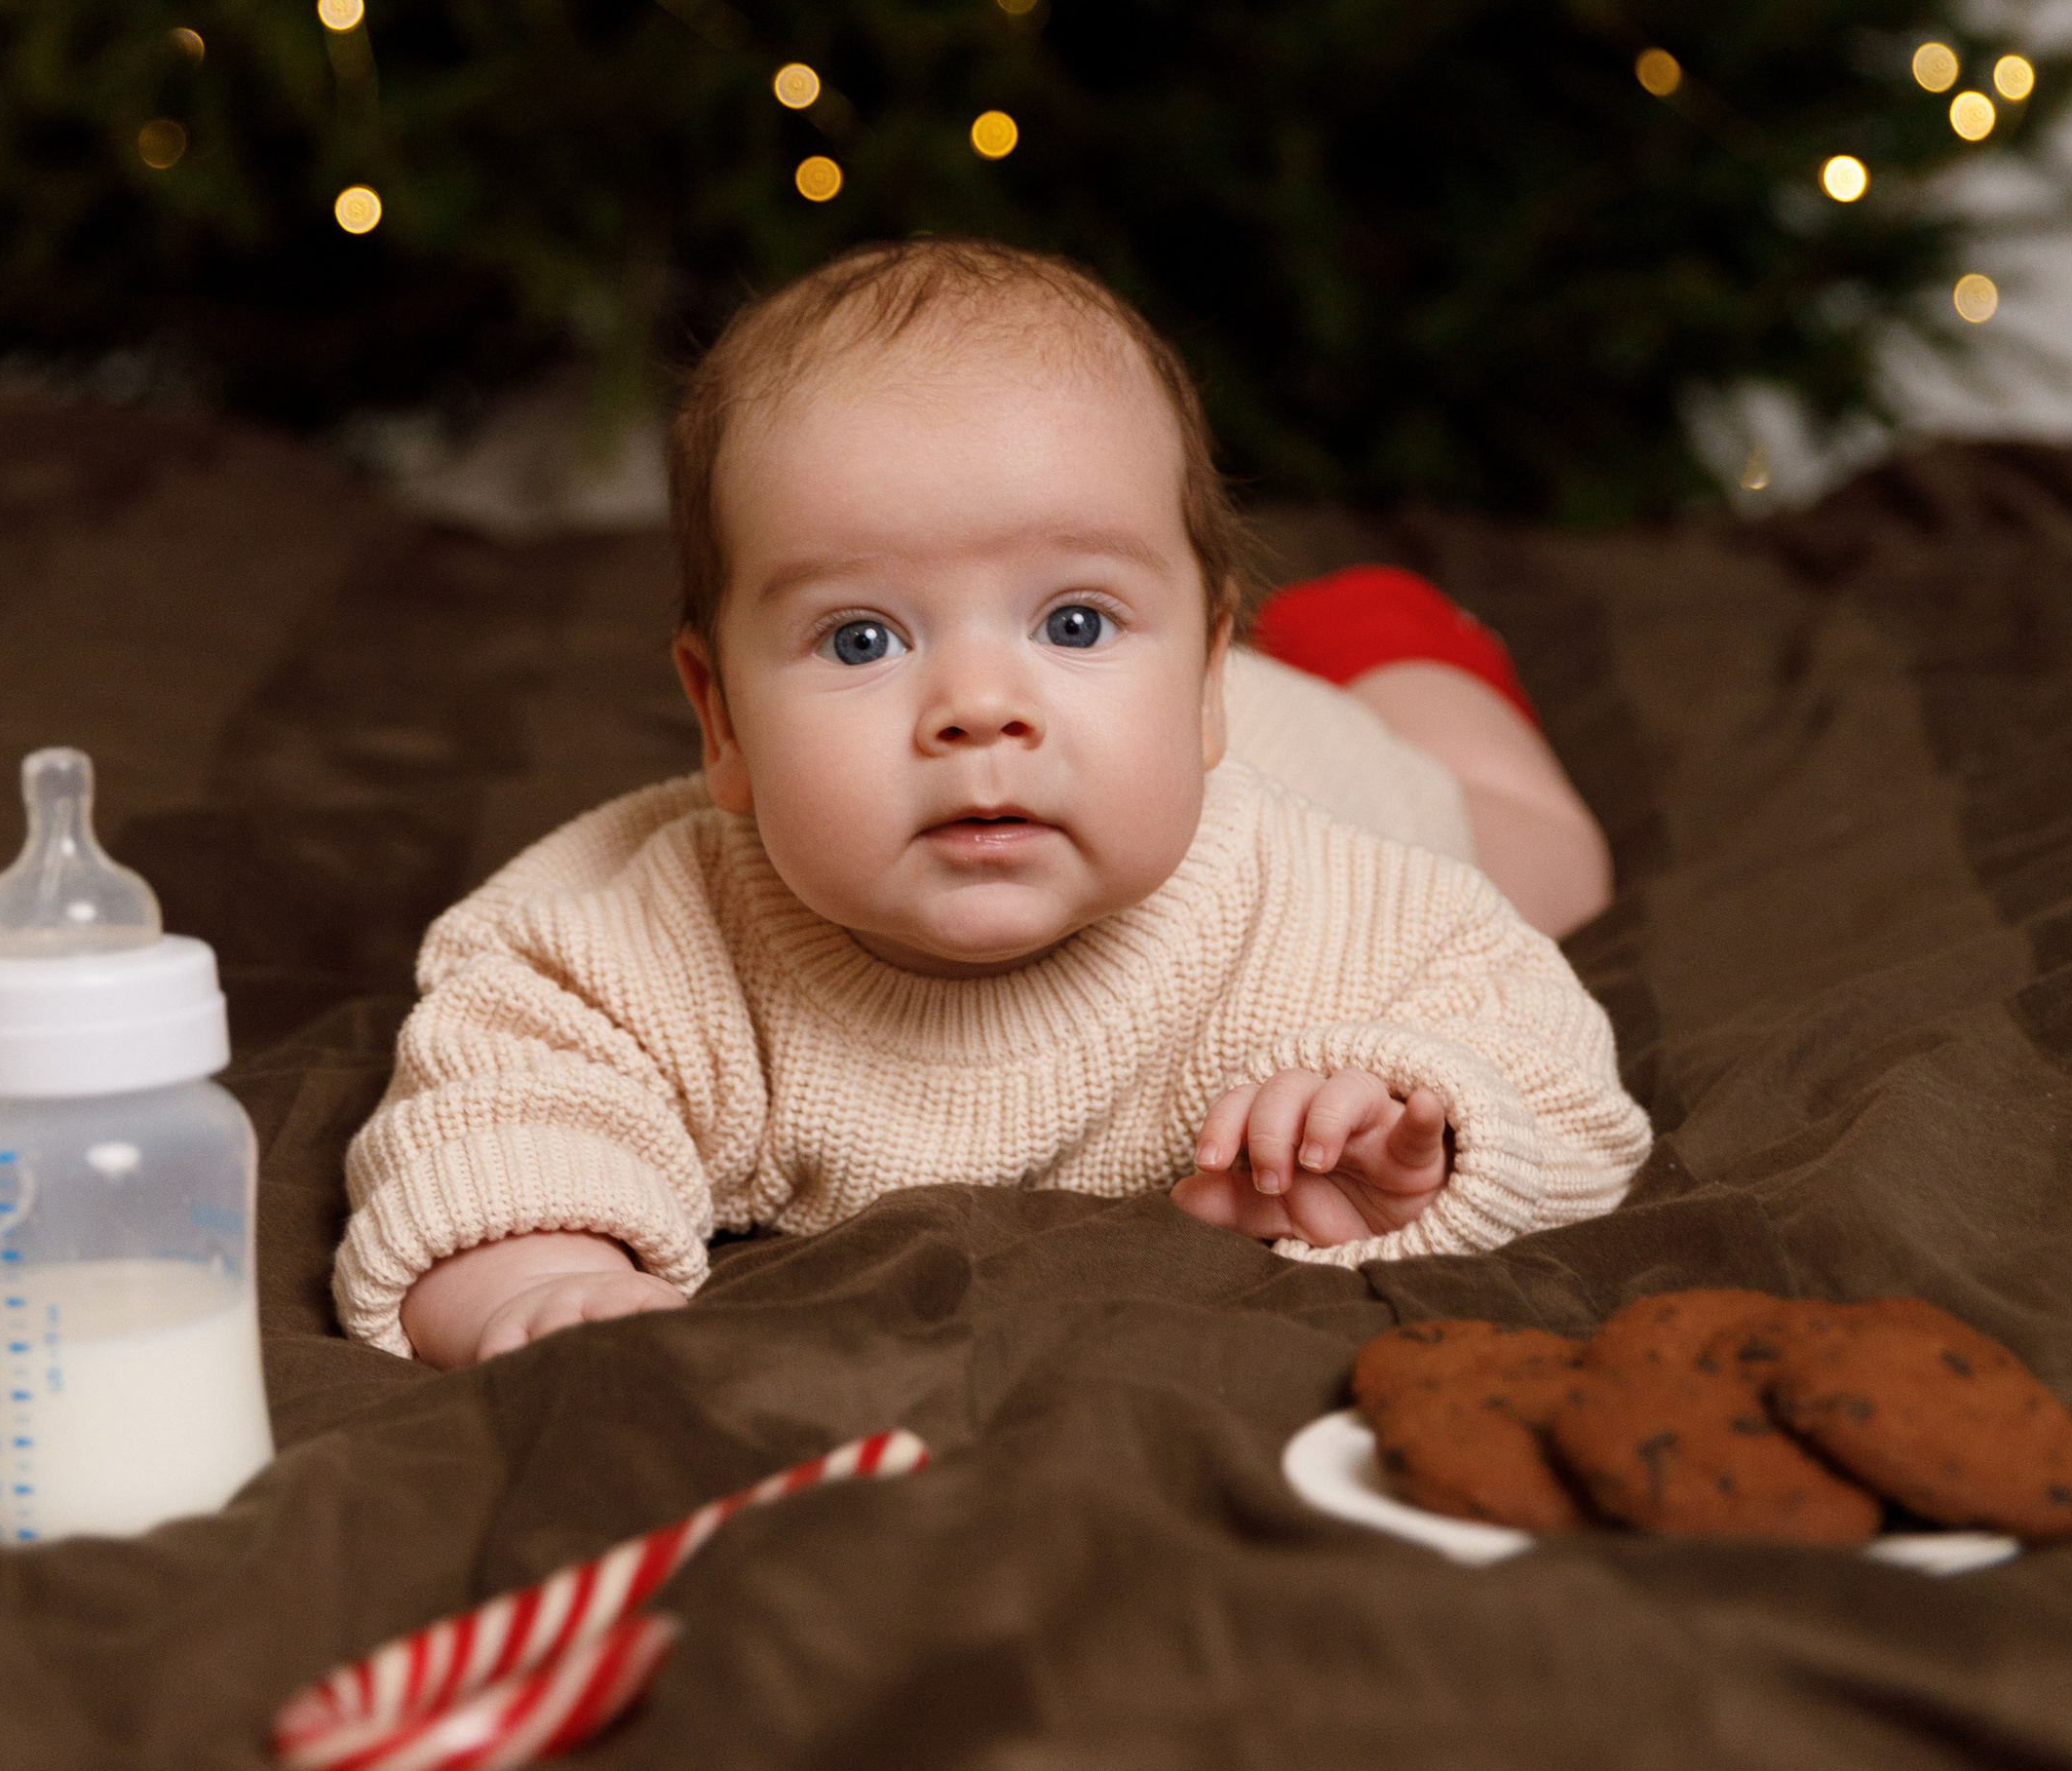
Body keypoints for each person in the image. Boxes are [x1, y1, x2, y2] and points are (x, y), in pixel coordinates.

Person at [335, 241, 1647, 1368]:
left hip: (1333, 747)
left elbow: (1559, 1075)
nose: (978, 708)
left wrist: (1422, 1126)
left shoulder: (1325, 904)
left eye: (1075, 620)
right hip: (1145, 727)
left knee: (1545, 854)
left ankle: (1388, 631)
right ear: (720, 717)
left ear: (1200, 684)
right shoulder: (632, 938)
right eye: (861, 638)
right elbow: (500, 1105)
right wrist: (543, 1275)